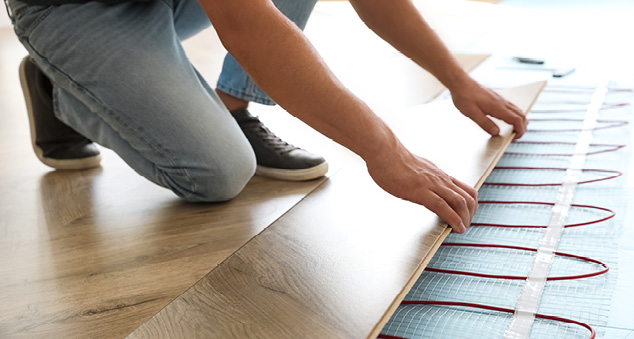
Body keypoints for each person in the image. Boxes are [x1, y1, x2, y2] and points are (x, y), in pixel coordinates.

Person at [5, 0, 527, 234]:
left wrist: (457, 79)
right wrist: (384, 151)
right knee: (216, 174)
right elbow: (247, 23)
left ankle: (234, 108)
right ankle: (59, 87)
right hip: (72, 8)